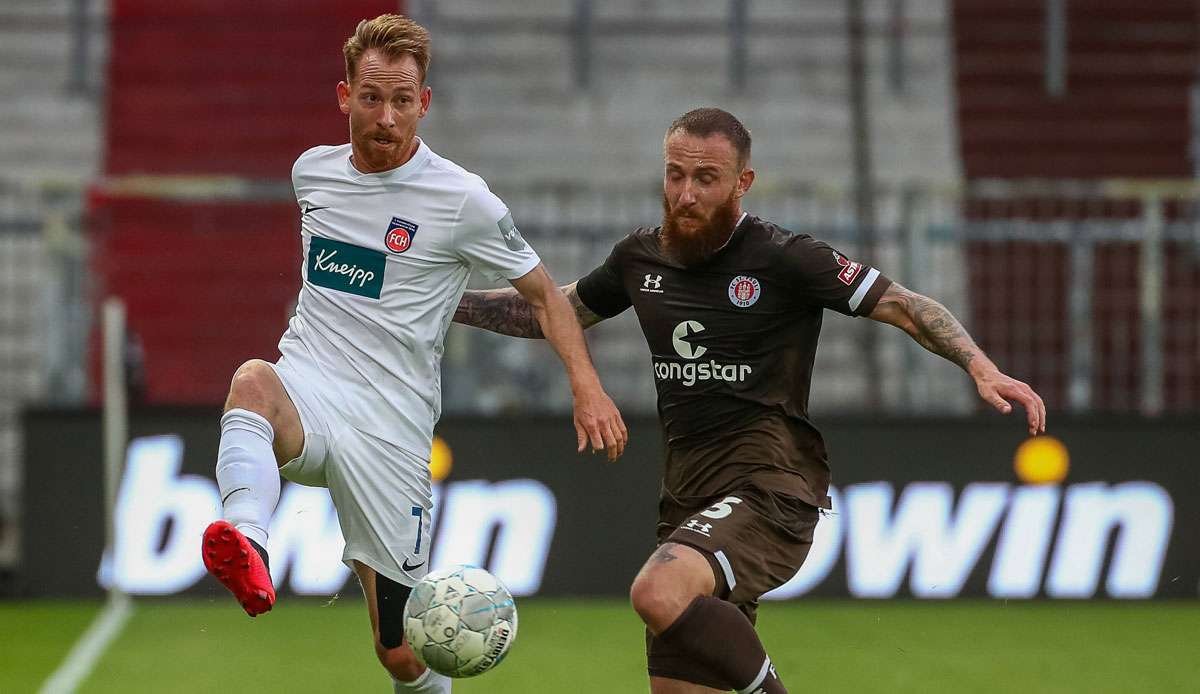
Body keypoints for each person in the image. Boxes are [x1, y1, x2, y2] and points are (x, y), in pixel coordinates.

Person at [453, 107, 1045, 694]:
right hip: (686, 498)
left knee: (655, 592)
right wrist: (440, 299)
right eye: (675, 174)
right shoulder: (640, 258)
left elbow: (907, 306)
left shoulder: (784, 256)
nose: (685, 194)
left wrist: (979, 364)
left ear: (743, 183)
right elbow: (551, 313)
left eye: (705, 179)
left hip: (770, 487)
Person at [200, 14, 626, 694]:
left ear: (424, 103)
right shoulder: (312, 174)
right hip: (309, 386)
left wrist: (587, 387)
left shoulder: (461, 200)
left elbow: (545, 295)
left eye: (403, 100)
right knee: (252, 380)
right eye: (372, 97)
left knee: (399, 650)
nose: (387, 115)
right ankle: (248, 540)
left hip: (392, 433)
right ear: (345, 96)